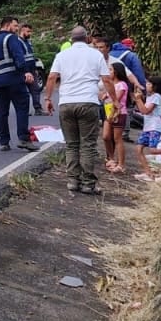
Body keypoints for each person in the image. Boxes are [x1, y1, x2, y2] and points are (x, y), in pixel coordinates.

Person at [45, 26, 112, 196]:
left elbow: (52, 77)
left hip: (66, 103)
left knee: (71, 144)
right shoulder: (96, 55)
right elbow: (106, 79)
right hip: (88, 102)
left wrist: (48, 99)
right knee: (88, 144)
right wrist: (116, 101)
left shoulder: (61, 55)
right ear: (87, 38)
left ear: (71, 39)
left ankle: (73, 181)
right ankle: (88, 183)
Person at [0, 16, 39, 152]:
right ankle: (23, 139)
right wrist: (26, 72)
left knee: (2, 113)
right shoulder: (11, 38)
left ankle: (4, 141)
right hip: (14, 81)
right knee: (22, 108)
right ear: (8, 25)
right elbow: (18, 57)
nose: (16, 29)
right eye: (15, 26)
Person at [105, 60, 131, 174]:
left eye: (110, 70)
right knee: (106, 136)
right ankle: (111, 158)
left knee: (117, 138)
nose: (108, 72)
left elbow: (117, 100)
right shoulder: (111, 85)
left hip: (118, 113)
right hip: (108, 112)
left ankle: (121, 164)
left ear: (116, 72)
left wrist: (111, 114)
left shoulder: (122, 85)